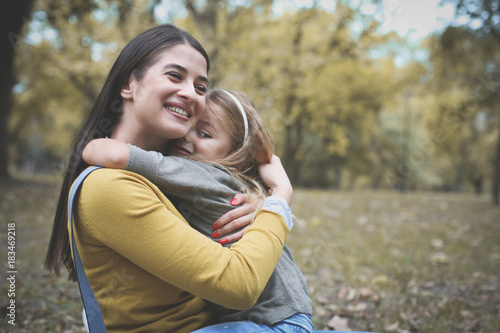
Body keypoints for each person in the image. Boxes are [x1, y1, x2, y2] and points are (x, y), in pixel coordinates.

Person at [45, 24, 294, 333]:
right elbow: (238, 284)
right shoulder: (108, 187)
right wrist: (279, 197)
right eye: (175, 76)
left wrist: (252, 196)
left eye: (201, 87)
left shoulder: (171, 178)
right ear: (128, 85)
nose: (191, 93)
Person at [82, 89, 315, 332]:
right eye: (186, 128)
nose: (185, 137)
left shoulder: (201, 174)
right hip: (279, 317)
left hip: (275, 324)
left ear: (235, 152)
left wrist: (97, 142)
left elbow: (112, 154)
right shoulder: (220, 183)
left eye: (204, 133)